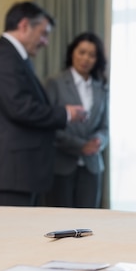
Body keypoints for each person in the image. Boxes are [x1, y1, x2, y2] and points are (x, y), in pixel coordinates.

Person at [0, 1, 86, 207]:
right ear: (24, 26)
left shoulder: (15, 57)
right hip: (10, 174)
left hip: (20, 173)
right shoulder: (3, 57)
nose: (45, 42)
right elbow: (19, 108)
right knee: (11, 237)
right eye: (43, 33)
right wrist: (65, 114)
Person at [45, 32, 109, 208]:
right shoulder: (55, 83)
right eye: (82, 52)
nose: (86, 58)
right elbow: (48, 124)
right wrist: (80, 146)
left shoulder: (101, 88)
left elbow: (105, 127)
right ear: (72, 52)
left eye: (92, 55)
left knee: (88, 224)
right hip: (62, 165)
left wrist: (98, 141)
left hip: (92, 166)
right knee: (61, 221)